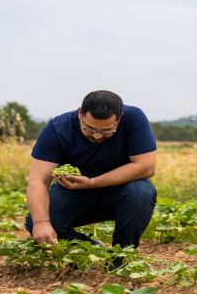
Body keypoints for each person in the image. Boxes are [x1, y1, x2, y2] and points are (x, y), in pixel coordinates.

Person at [25, 90, 157, 250]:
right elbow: (38, 180)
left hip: (121, 190)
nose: (97, 136)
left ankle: (121, 258)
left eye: (106, 131)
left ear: (119, 117)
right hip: (74, 192)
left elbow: (146, 166)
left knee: (141, 192)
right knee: (36, 220)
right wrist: (41, 222)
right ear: (80, 113)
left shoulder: (134, 118)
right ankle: (90, 248)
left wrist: (92, 182)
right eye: (89, 128)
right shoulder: (58, 129)